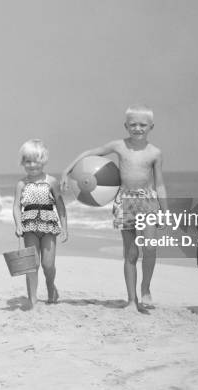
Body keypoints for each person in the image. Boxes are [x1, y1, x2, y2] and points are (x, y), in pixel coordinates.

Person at [61, 105, 168, 313]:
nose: (138, 128)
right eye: (133, 124)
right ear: (126, 125)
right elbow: (89, 153)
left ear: (151, 127)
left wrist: (165, 211)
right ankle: (131, 300)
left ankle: (145, 288)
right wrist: (67, 170)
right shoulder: (119, 146)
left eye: (143, 125)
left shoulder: (155, 153)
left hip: (147, 201)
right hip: (124, 201)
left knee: (150, 248)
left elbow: (160, 183)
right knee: (130, 252)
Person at [13, 139, 68, 308]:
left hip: (48, 226)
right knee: (32, 264)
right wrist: (18, 224)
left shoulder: (51, 181)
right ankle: (33, 299)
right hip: (29, 227)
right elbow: (16, 206)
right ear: (23, 162)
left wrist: (65, 228)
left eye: (35, 161)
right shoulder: (21, 184)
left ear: (43, 161)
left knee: (48, 264)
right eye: (28, 161)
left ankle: (51, 287)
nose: (32, 165)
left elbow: (60, 205)